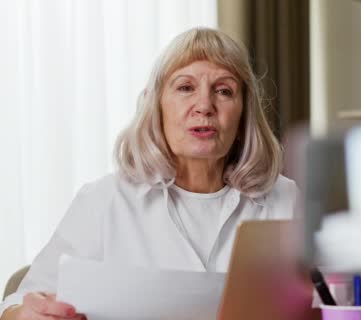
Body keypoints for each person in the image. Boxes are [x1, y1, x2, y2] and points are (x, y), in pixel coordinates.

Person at [0, 27, 298, 320]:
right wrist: (24, 314)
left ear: (244, 113)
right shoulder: (103, 201)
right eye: (185, 88)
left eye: (223, 91)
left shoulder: (286, 198)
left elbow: (330, 300)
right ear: (157, 106)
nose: (204, 106)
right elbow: (16, 304)